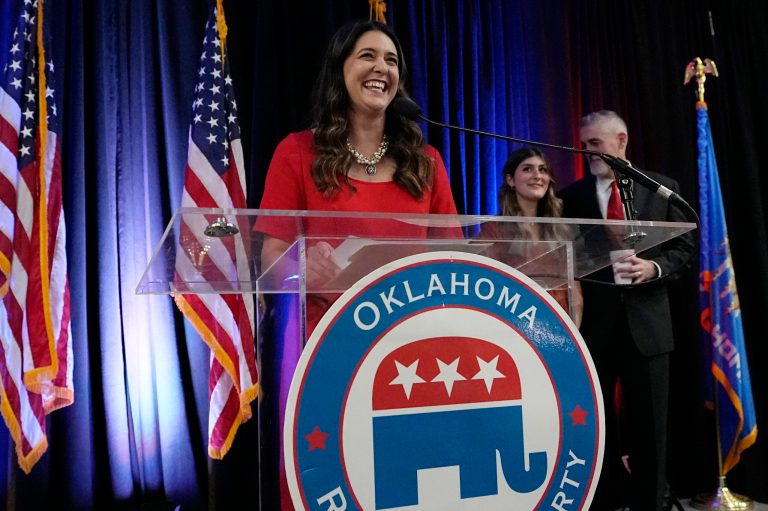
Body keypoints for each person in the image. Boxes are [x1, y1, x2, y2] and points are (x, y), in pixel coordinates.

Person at [254, 20, 459, 511]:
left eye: (391, 61)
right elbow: (269, 265)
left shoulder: (425, 161)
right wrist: (300, 265)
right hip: (325, 350)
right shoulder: (296, 153)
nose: (380, 68)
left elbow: (454, 258)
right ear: (339, 70)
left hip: (412, 353)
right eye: (367, 56)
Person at [557, 110, 695, 510]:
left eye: (596, 144)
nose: (588, 152)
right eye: (584, 146)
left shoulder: (661, 189)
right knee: (594, 427)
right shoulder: (572, 197)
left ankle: (652, 503)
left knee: (651, 431)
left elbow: (684, 248)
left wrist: (653, 267)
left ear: (621, 141)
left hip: (648, 328)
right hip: (595, 330)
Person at [489, 146, 582, 327]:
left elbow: (575, 292)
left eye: (543, 169)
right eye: (527, 169)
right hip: (515, 327)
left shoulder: (563, 229)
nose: (537, 175)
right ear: (510, 180)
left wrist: (573, 334)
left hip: (558, 326)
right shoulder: (494, 230)